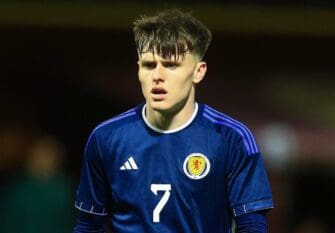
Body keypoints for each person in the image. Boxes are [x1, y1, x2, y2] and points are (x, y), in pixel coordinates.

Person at [74, 9, 274, 233]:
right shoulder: (106, 138)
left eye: (170, 65)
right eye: (149, 65)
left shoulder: (231, 139)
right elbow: (88, 225)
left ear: (198, 72)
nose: (157, 75)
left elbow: (252, 226)